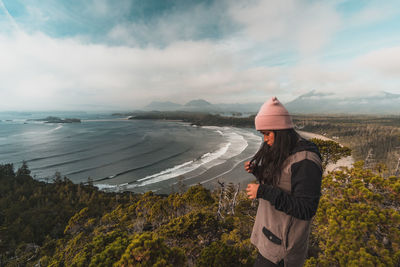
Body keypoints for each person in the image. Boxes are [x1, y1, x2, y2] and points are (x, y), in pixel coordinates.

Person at [245, 97, 322, 267]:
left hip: (281, 252)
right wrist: (257, 171)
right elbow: (282, 181)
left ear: (281, 131)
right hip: (269, 239)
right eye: (262, 134)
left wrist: (263, 191)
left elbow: (306, 208)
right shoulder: (284, 150)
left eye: (267, 133)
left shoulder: (305, 161)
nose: (265, 139)